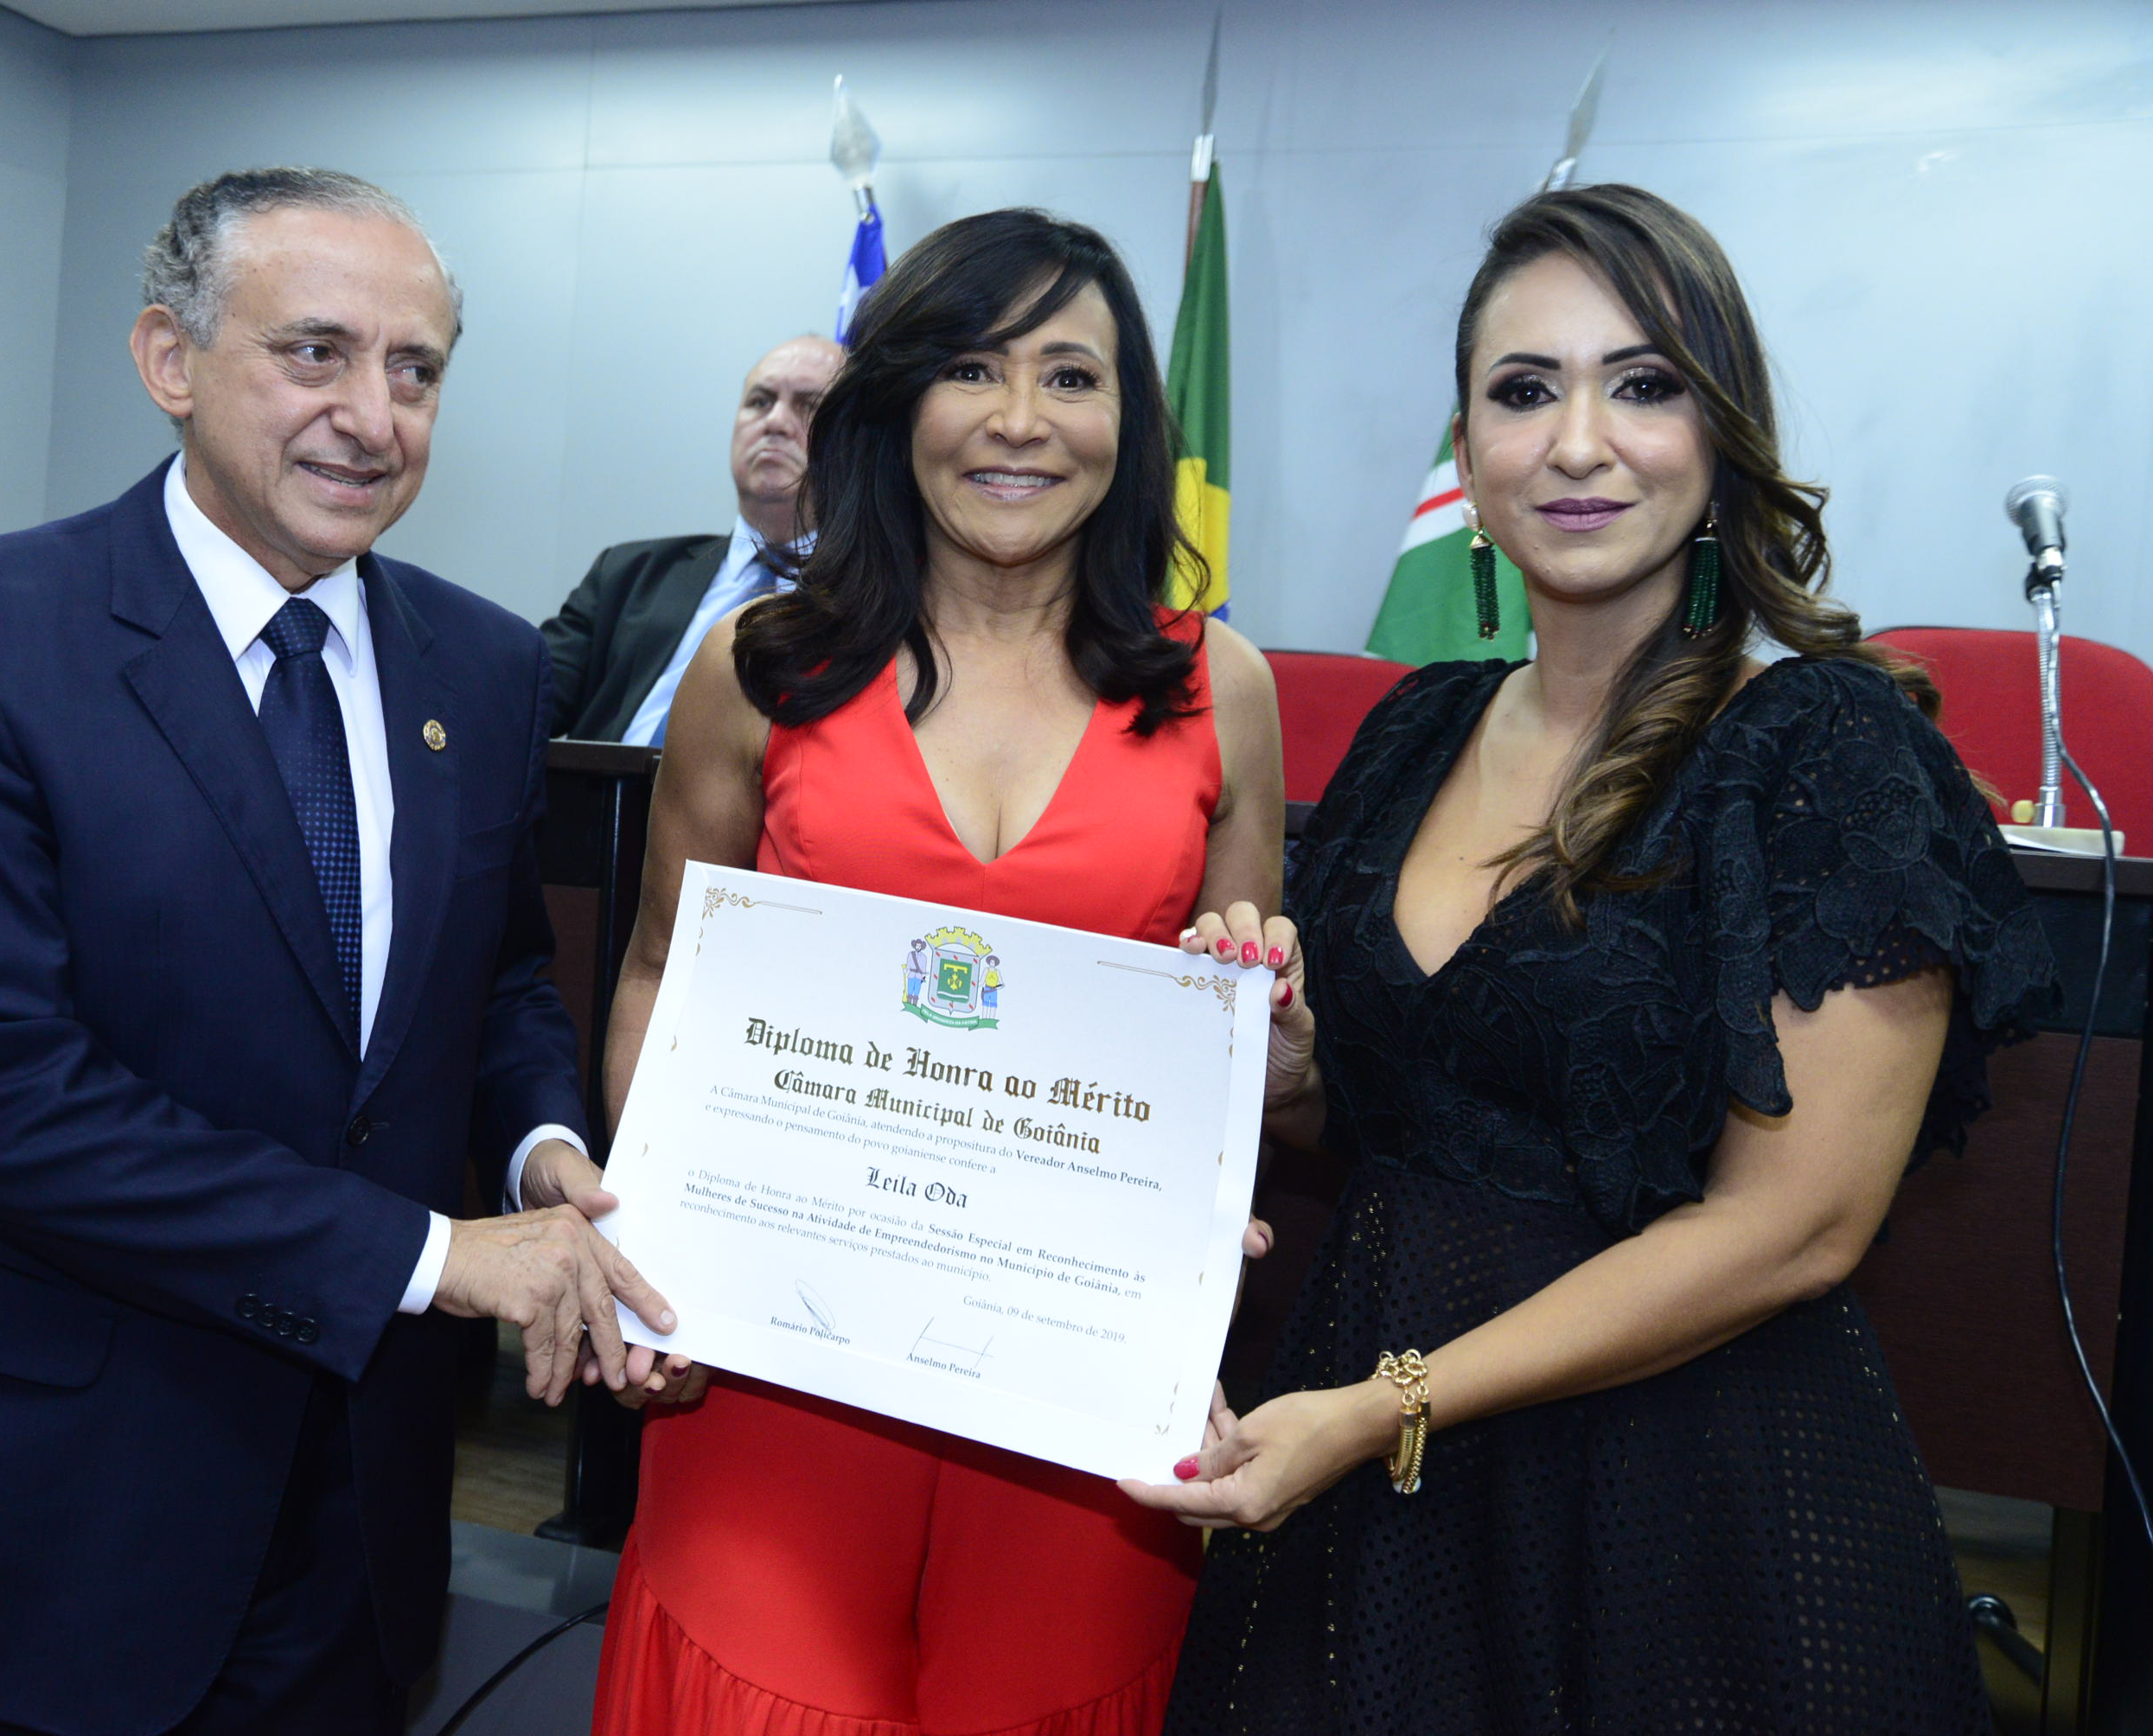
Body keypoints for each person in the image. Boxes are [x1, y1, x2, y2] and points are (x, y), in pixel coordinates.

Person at [1136, 183, 2058, 1733]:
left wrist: (1386, 1406)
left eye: (1641, 385)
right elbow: (1401, 1125)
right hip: (1369, 1481)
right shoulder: (1411, 727)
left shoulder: (1824, 752)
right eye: (1523, 391)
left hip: (1679, 1501)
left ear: (1720, 437)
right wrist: (1289, 1071)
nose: (1577, 442)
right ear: (1467, 451)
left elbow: (1795, 1229)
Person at [0, 167, 673, 1736]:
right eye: (315, 351)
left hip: (356, 1514)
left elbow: (498, 983)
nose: (373, 417)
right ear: (170, 360)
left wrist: (541, 1152)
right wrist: (437, 1257)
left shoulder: (482, 664)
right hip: (47, 1496)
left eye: (416, 370)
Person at [586, 207, 1292, 1736]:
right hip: (775, 1359)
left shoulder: (1220, 687)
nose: (1021, 420)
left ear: (1130, 420)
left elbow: (1260, 1073)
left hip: (1075, 1397)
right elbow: (654, 979)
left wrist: (1270, 1044)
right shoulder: (757, 665)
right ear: (896, 400)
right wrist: (659, 1259)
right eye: (971, 367)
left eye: (1071, 376)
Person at [541, 334, 843, 743]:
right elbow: (520, 696)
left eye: (808, 406)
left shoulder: (870, 601)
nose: (774, 422)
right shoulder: (628, 574)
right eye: (760, 401)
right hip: (601, 780)